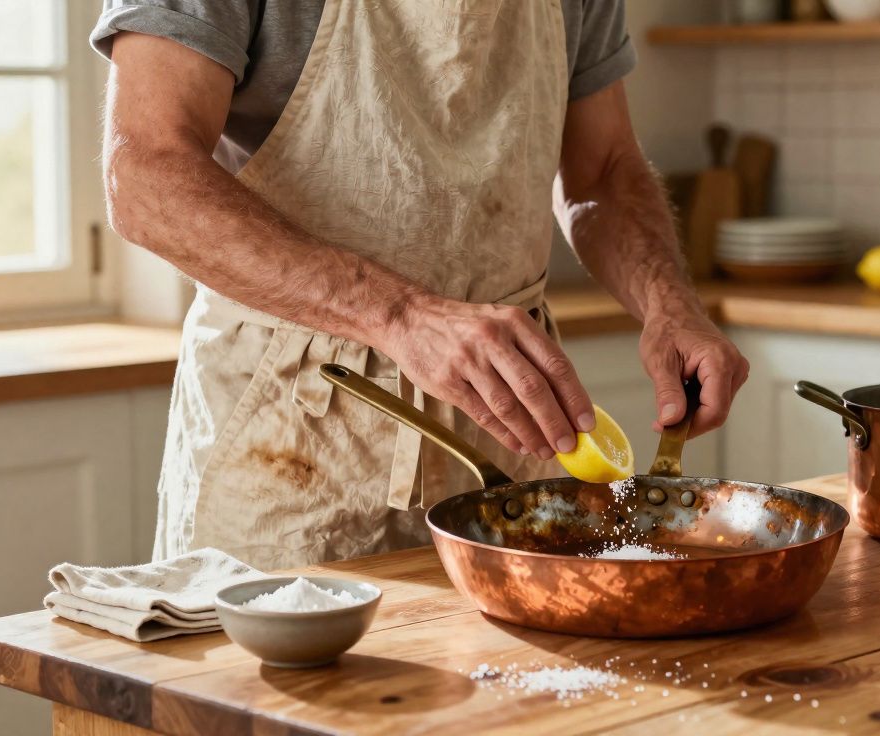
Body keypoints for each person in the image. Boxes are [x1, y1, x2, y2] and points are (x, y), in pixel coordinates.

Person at [93, 0, 749, 570]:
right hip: (291, 435)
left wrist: (669, 307)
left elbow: (603, 167)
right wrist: (402, 316)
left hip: (507, 429)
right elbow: (145, 174)